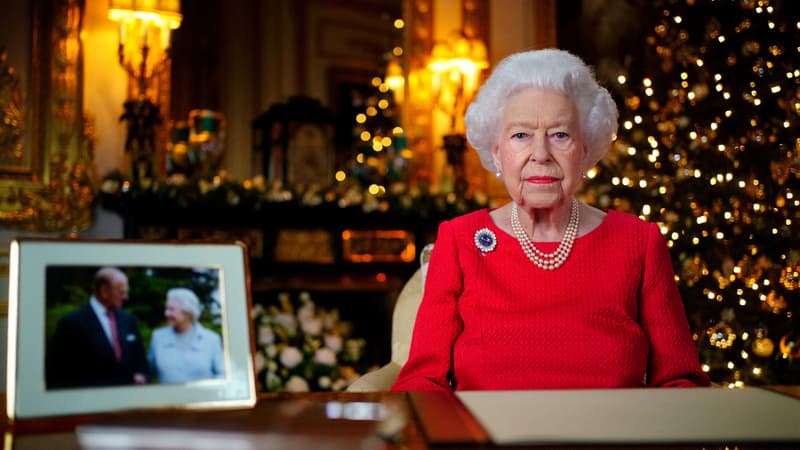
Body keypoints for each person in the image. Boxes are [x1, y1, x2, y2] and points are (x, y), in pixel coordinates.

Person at [392, 49, 711, 391]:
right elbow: (422, 382)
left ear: (585, 150)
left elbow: (680, 381)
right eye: (521, 135)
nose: (541, 154)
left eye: (560, 135)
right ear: (497, 151)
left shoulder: (637, 242)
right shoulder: (459, 239)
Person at [46, 267, 149, 388]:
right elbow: (58, 373)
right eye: (121, 292)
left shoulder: (128, 320)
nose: (126, 297)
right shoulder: (72, 323)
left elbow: (141, 363)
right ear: (104, 291)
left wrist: (143, 376)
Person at [148, 287, 225, 384]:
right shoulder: (158, 337)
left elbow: (221, 374)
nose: (166, 313)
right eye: (166, 309)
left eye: (171, 309)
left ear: (187, 313)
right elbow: (147, 372)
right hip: (167, 398)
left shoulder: (211, 339)